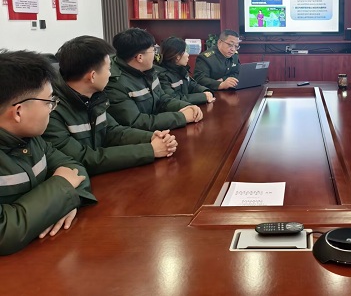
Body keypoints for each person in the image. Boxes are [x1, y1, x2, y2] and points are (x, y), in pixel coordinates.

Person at [0, 50, 96, 255]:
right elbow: (4, 231)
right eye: (49, 102)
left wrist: (65, 203)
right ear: (18, 112)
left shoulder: (31, 138)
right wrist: (61, 194)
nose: (52, 109)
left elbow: (75, 168)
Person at [42, 36, 178, 176]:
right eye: (108, 69)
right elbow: (83, 158)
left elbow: (113, 131)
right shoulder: (51, 110)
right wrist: (150, 150)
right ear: (92, 76)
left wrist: (151, 137)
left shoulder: (94, 96)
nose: (110, 73)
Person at [104, 28, 203, 130]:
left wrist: (187, 107)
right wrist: (181, 117)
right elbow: (136, 122)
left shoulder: (149, 70)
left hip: (158, 132)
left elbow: (163, 98)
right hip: (142, 136)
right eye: (153, 50)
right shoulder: (115, 84)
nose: (156, 54)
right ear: (140, 57)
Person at [157, 36, 216, 105]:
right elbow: (174, 100)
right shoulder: (162, 76)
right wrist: (203, 96)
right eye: (185, 51)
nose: (188, 55)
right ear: (177, 57)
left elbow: (192, 85)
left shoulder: (181, 69)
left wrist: (206, 91)